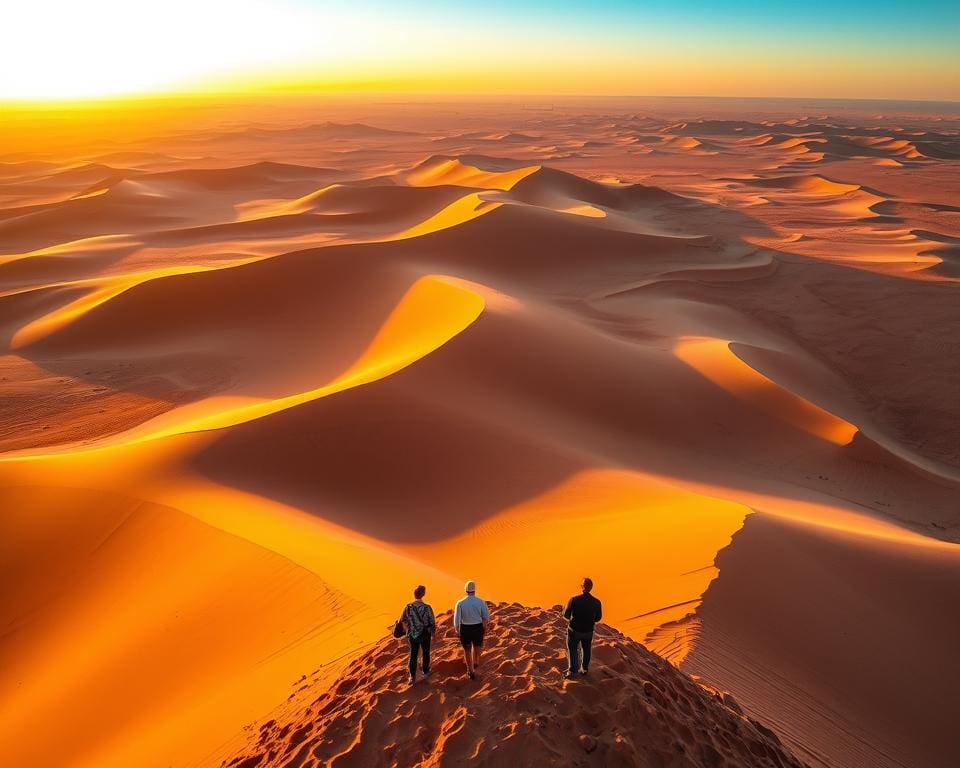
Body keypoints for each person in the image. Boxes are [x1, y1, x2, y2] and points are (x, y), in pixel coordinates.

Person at [563, 577, 602, 679]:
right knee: (586, 648)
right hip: (588, 631)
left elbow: (566, 614)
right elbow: (598, 618)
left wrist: (572, 617)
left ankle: (572, 671)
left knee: (572, 648)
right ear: (591, 588)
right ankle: (584, 669)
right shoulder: (597, 602)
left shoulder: (574, 599)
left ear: (582, 587)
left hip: (574, 630)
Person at [453, 579, 489, 679]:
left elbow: (457, 619)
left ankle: (471, 671)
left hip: (465, 629)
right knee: (477, 646)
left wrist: (457, 630)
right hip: (478, 627)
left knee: (467, 650)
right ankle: (476, 661)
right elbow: (486, 617)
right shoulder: (481, 602)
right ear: (474, 590)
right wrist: (484, 628)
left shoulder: (460, 603)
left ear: (466, 590)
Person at [401, 584, 436, 685]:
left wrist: (408, 630)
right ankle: (426, 671)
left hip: (412, 634)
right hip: (425, 634)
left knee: (413, 654)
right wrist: (433, 634)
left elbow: (403, 620)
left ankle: (412, 677)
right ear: (423, 594)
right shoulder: (427, 608)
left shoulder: (408, 607)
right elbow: (432, 622)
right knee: (425, 652)